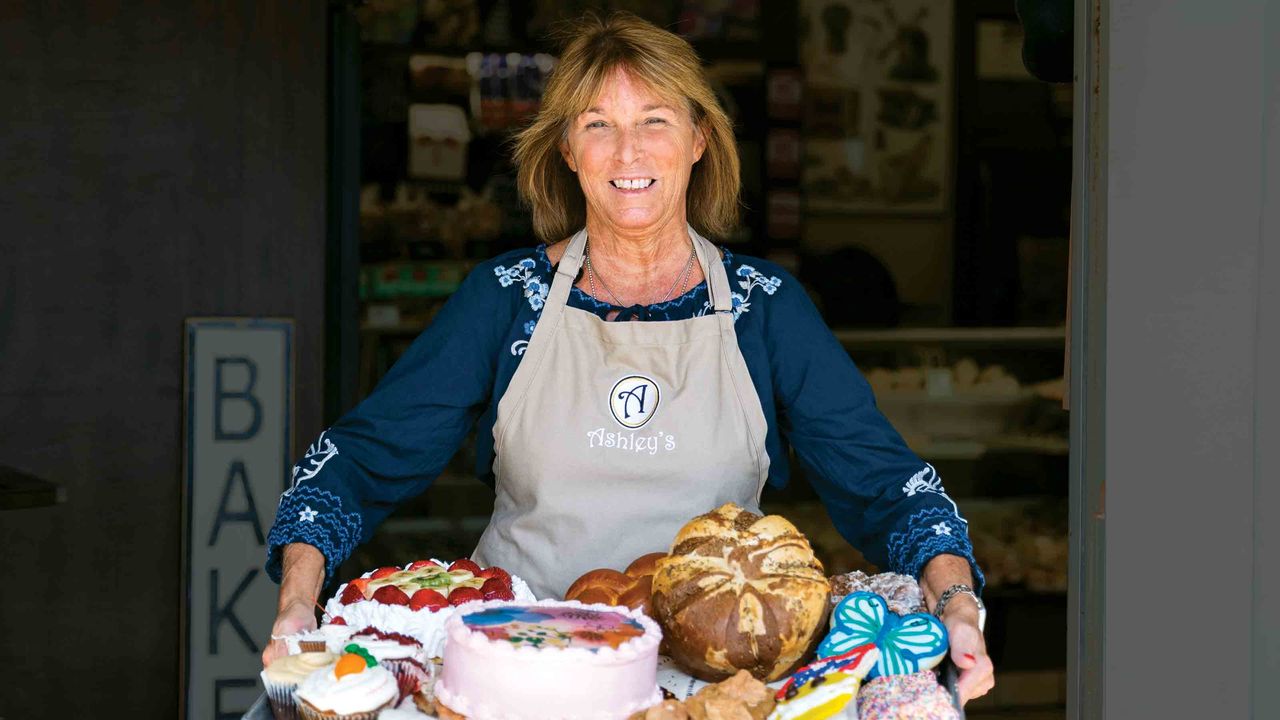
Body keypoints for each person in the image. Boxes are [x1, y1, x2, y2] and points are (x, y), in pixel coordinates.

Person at [262, 12, 994, 703]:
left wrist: (956, 604)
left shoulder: (765, 307)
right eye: (598, 126)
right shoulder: (506, 298)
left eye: (654, 121)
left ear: (700, 139)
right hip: (519, 674)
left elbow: (889, 487)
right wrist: (299, 603)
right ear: (567, 151)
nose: (628, 152)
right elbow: (360, 462)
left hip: (706, 688)